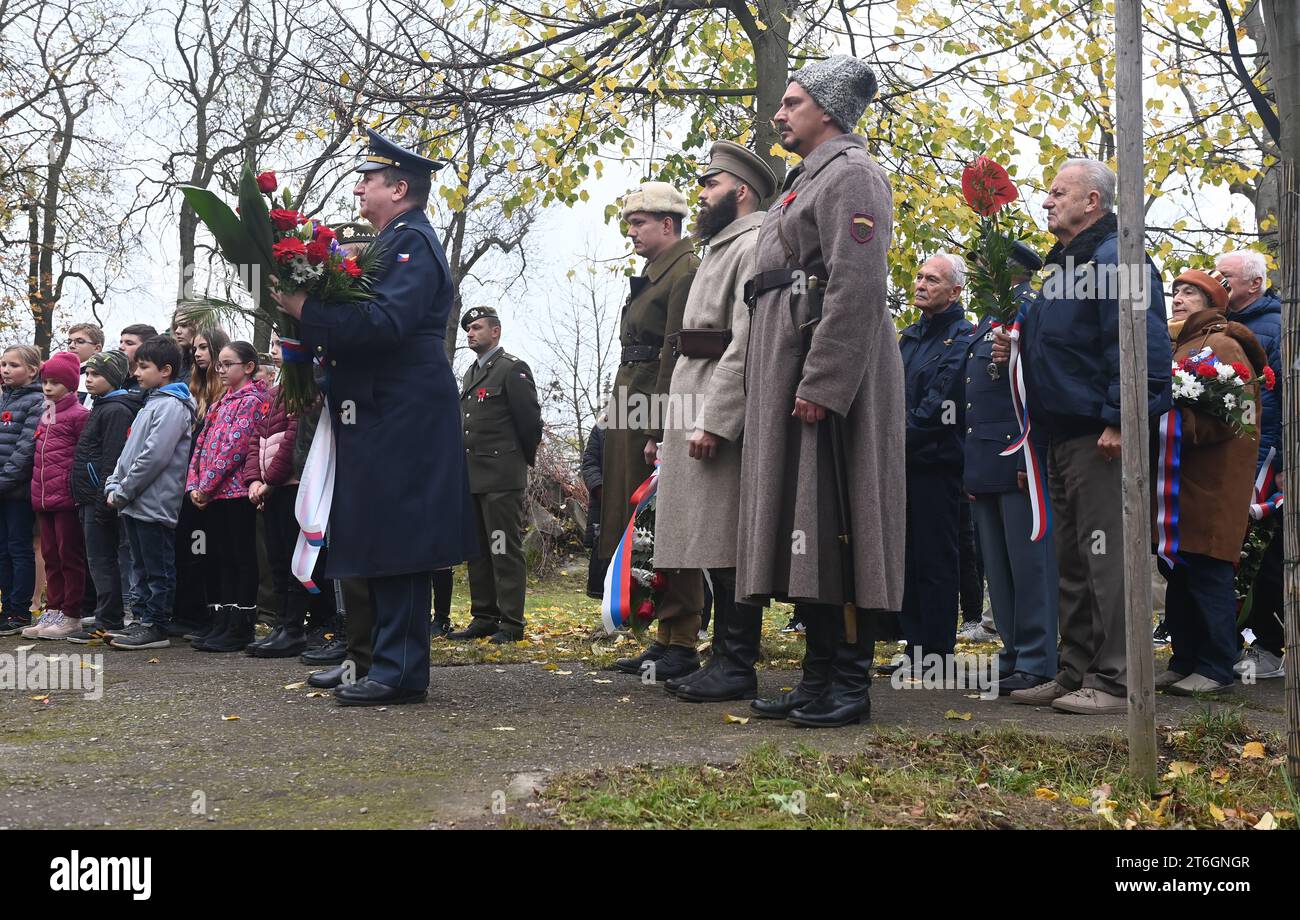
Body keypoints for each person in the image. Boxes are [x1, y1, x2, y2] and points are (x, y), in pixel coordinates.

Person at [271, 129, 478, 706]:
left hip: (401, 409)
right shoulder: (392, 242)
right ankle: (383, 661)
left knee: (400, 539)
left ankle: (400, 670)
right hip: (379, 408)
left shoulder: (412, 244)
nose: (359, 187)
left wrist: (306, 308)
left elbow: (385, 325)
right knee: (378, 536)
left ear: (401, 187)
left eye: (370, 178)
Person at [739, 56, 901, 728]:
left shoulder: (854, 174)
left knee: (839, 522)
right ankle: (816, 679)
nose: (780, 114)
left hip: (833, 380)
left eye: (793, 102)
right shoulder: (807, 178)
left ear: (827, 111)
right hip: (793, 365)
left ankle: (849, 684)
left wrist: (825, 383)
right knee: (808, 522)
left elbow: (857, 283)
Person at [994, 158, 1171, 714]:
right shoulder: (1062, 267)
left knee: (1107, 558)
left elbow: (1141, 346)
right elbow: (1063, 351)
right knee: (1073, 560)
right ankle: (1075, 672)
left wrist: (1121, 418)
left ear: (1092, 202)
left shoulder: (1119, 256)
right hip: (1061, 436)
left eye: (1057, 193)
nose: (1045, 202)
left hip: (1102, 434)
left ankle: (1118, 678)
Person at [648, 140, 775, 703]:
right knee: (708, 537)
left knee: (729, 539)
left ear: (741, 191)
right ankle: (719, 656)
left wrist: (719, 419)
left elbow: (748, 341)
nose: (700, 195)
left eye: (710, 184)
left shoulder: (753, 244)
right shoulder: (722, 245)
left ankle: (736, 662)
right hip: (692, 396)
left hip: (715, 405)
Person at [602, 181, 703, 682]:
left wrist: (661, 425)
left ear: (669, 224)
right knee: (645, 523)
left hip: (653, 405)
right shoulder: (659, 271)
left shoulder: (684, 271)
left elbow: (676, 352)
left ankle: (682, 636)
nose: (632, 231)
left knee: (669, 521)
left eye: (639, 222)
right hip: (634, 400)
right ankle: (663, 637)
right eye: (629, 223)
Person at [1157, 269, 1265, 695]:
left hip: (1214, 482)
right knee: (1179, 571)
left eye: (1190, 293)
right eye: (1176, 291)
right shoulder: (1176, 344)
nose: (1179, 298)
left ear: (1213, 303)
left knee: (1209, 571)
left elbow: (1238, 416)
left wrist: (1176, 421)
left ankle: (1217, 665)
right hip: (1180, 482)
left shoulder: (1223, 345)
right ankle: (1184, 659)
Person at [962, 241, 1058, 693]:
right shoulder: (987, 322)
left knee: (1029, 565)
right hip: (984, 459)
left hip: (1019, 457)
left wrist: (1031, 456)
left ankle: (1039, 659)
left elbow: (1036, 387)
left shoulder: (1031, 313)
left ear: (1009, 271)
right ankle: (1014, 653)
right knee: (998, 569)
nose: (976, 275)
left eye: (982, 267)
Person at [895, 254, 974, 677]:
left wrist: (895, 439)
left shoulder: (963, 338)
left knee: (935, 559)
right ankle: (914, 646)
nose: (920, 284)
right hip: (903, 461)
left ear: (955, 291)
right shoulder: (908, 337)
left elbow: (939, 404)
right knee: (906, 557)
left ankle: (936, 654)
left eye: (932, 279)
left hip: (936, 463)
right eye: (919, 275)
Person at [448, 305, 543, 644]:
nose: (470, 333)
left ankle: (511, 623)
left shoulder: (511, 369)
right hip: (473, 475)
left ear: (495, 331)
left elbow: (530, 422)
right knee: (478, 550)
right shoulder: (471, 374)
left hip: (502, 476)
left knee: (503, 548)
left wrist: (518, 462)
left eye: (476, 327)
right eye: (468, 329)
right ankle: (484, 616)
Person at [1215, 248, 1286, 680]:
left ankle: (1269, 645)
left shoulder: (1274, 328)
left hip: (1264, 452)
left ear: (1254, 284)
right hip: (1234, 451)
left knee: (1262, 551)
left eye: (1226, 276)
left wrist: (1278, 458)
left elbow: (1281, 396)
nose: (1218, 282)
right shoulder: (1224, 326)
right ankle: (1237, 639)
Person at [104, 336, 196, 650]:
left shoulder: (172, 406)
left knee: (158, 567)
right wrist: (114, 483)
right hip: (133, 499)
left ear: (166, 370)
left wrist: (125, 489)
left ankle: (156, 624)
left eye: (144, 367)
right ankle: (141, 620)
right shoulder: (152, 402)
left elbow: (154, 456)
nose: (137, 373)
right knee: (140, 566)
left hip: (153, 501)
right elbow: (130, 451)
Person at [186, 341, 267, 653]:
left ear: (247, 367)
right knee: (218, 558)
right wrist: (194, 483)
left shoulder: (252, 400)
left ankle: (241, 624)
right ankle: (222, 620)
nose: (220, 369)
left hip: (232, 493)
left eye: (227, 364)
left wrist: (206, 485)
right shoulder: (221, 401)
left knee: (239, 558)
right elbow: (202, 443)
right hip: (211, 494)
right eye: (219, 364)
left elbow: (234, 448)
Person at [66, 350, 142, 643]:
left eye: (96, 375)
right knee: (96, 559)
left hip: (100, 499)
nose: (89, 379)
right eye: (88, 374)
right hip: (88, 496)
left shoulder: (116, 410)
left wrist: (102, 501)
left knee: (102, 559)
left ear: (111, 377)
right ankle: (103, 613)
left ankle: (109, 618)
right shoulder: (102, 405)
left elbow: (112, 459)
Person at [15, 352, 89, 639]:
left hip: (66, 499)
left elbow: (83, 457)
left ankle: (72, 613)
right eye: (46, 382)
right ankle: (54, 608)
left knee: (69, 555)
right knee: (50, 555)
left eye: (55, 383)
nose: (48, 388)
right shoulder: (45, 414)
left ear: (70, 385)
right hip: (43, 498)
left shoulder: (80, 415)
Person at [172, 326, 230, 636]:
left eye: (205, 347)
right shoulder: (193, 389)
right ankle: (190, 612)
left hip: (215, 485)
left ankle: (211, 615)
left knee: (209, 552)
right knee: (190, 550)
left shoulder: (225, 391)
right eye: (196, 348)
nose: (197, 353)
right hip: (189, 482)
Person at [0, 346, 46, 636]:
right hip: (2, 491)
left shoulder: (37, 402)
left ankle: (20, 611)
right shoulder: (4, 398)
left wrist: (3, 480)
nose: (5, 369)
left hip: (16, 492)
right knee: (2, 551)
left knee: (19, 549)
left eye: (13, 365)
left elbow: (25, 449)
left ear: (32, 370)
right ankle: (7, 607)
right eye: (3, 364)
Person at [581, 421, 606, 600]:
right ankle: (613, 616)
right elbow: (589, 463)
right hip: (604, 505)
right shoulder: (602, 426)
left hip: (638, 502)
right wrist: (600, 489)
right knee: (605, 558)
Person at [66, 323, 105, 409]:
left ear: (97, 348)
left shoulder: (101, 381)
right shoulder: (60, 375)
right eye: (69, 342)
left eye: (79, 341)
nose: (71, 346)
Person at [119, 325, 158, 391]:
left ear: (147, 347)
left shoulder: (153, 385)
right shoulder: (115, 380)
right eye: (121, 342)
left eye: (129, 343)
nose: (121, 347)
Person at [171, 315, 197, 385]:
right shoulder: (175, 360)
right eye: (176, 326)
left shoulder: (217, 363)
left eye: (184, 325)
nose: (177, 331)